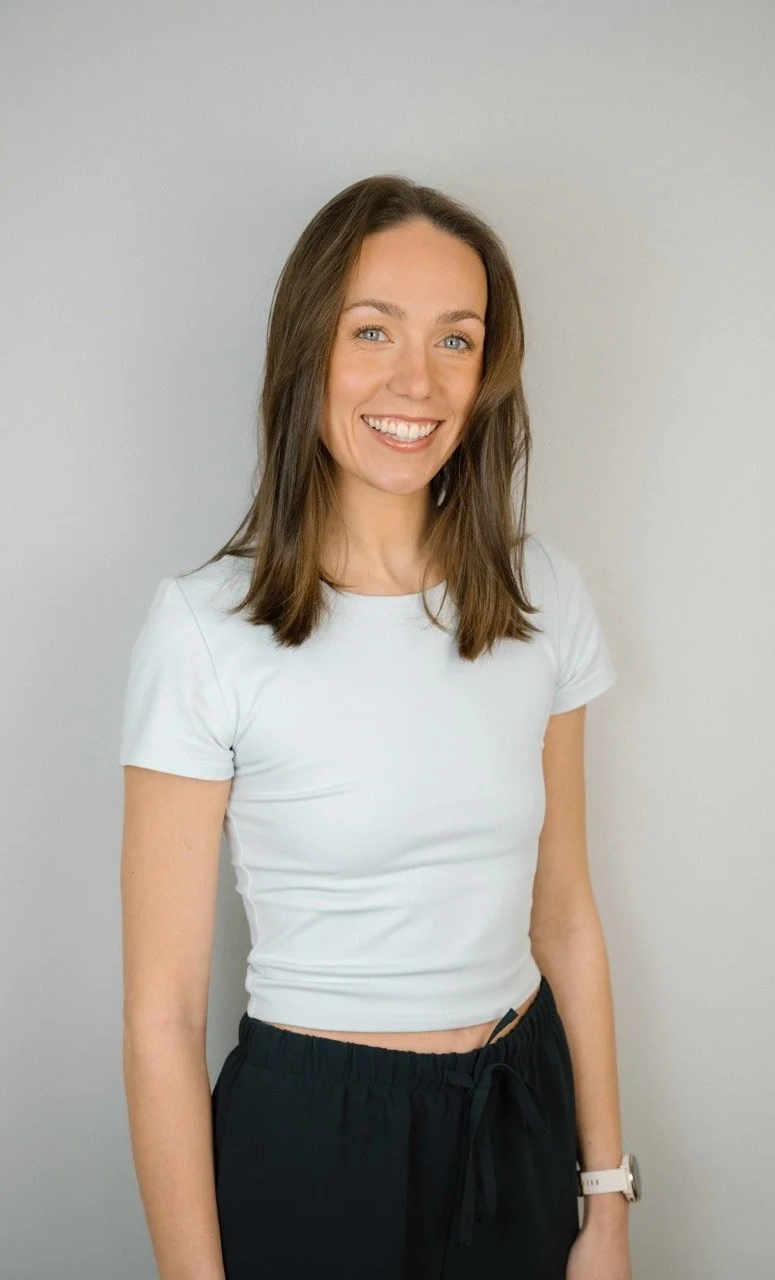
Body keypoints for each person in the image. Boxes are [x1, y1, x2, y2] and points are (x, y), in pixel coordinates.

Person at [119, 174, 635, 1280]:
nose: (417, 381)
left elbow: (564, 916)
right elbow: (163, 1012)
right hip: (315, 1137)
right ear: (307, 349)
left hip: (519, 1112)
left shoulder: (540, 597)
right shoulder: (205, 628)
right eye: (372, 331)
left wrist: (605, 1197)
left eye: (456, 339)